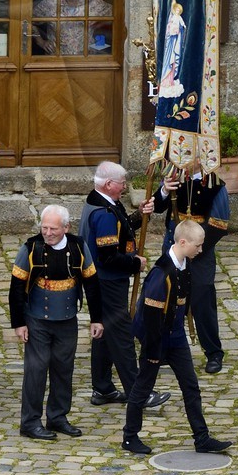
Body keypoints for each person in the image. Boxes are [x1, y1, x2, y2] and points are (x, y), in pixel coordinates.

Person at [122, 220, 233, 456]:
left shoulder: (185, 264)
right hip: (157, 338)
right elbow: (150, 317)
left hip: (176, 337)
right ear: (183, 242)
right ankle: (130, 437)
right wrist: (153, 351)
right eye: (198, 246)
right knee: (142, 387)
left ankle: (201, 437)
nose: (200, 250)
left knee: (191, 386)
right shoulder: (161, 273)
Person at [10, 204, 105, 440]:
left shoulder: (79, 247)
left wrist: (97, 319)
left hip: (67, 321)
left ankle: (57, 417)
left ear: (66, 227)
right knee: (36, 370)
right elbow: (16, 288)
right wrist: (19, 323)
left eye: (53, 228)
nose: (48, 233)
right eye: (44, 228)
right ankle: (30, 422)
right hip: (37, 321)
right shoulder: (30, 248)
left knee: (64, 369)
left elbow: (92, 284)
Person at [80, 161, 163, 409]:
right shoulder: (103, 214)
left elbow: (122, 226)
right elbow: (108, 257)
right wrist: (134, 263)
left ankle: (103, 388)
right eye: (122, 183)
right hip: (107, 282)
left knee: (104, 334)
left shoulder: (103, 203)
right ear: (108, 184)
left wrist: (140, 215)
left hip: (102, 280)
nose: (125, 187)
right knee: (122, 336)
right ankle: (138, 392)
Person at [158, 162, 231, 373]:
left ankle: (213, 352)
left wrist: (194, 248)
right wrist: (164, 190)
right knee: (168, 297)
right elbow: (158, 206)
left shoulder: (215, 185)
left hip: (200, 252)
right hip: (173, 247)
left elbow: (219, 225)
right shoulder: (174, 177)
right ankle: (166, 348)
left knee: (202, 299)